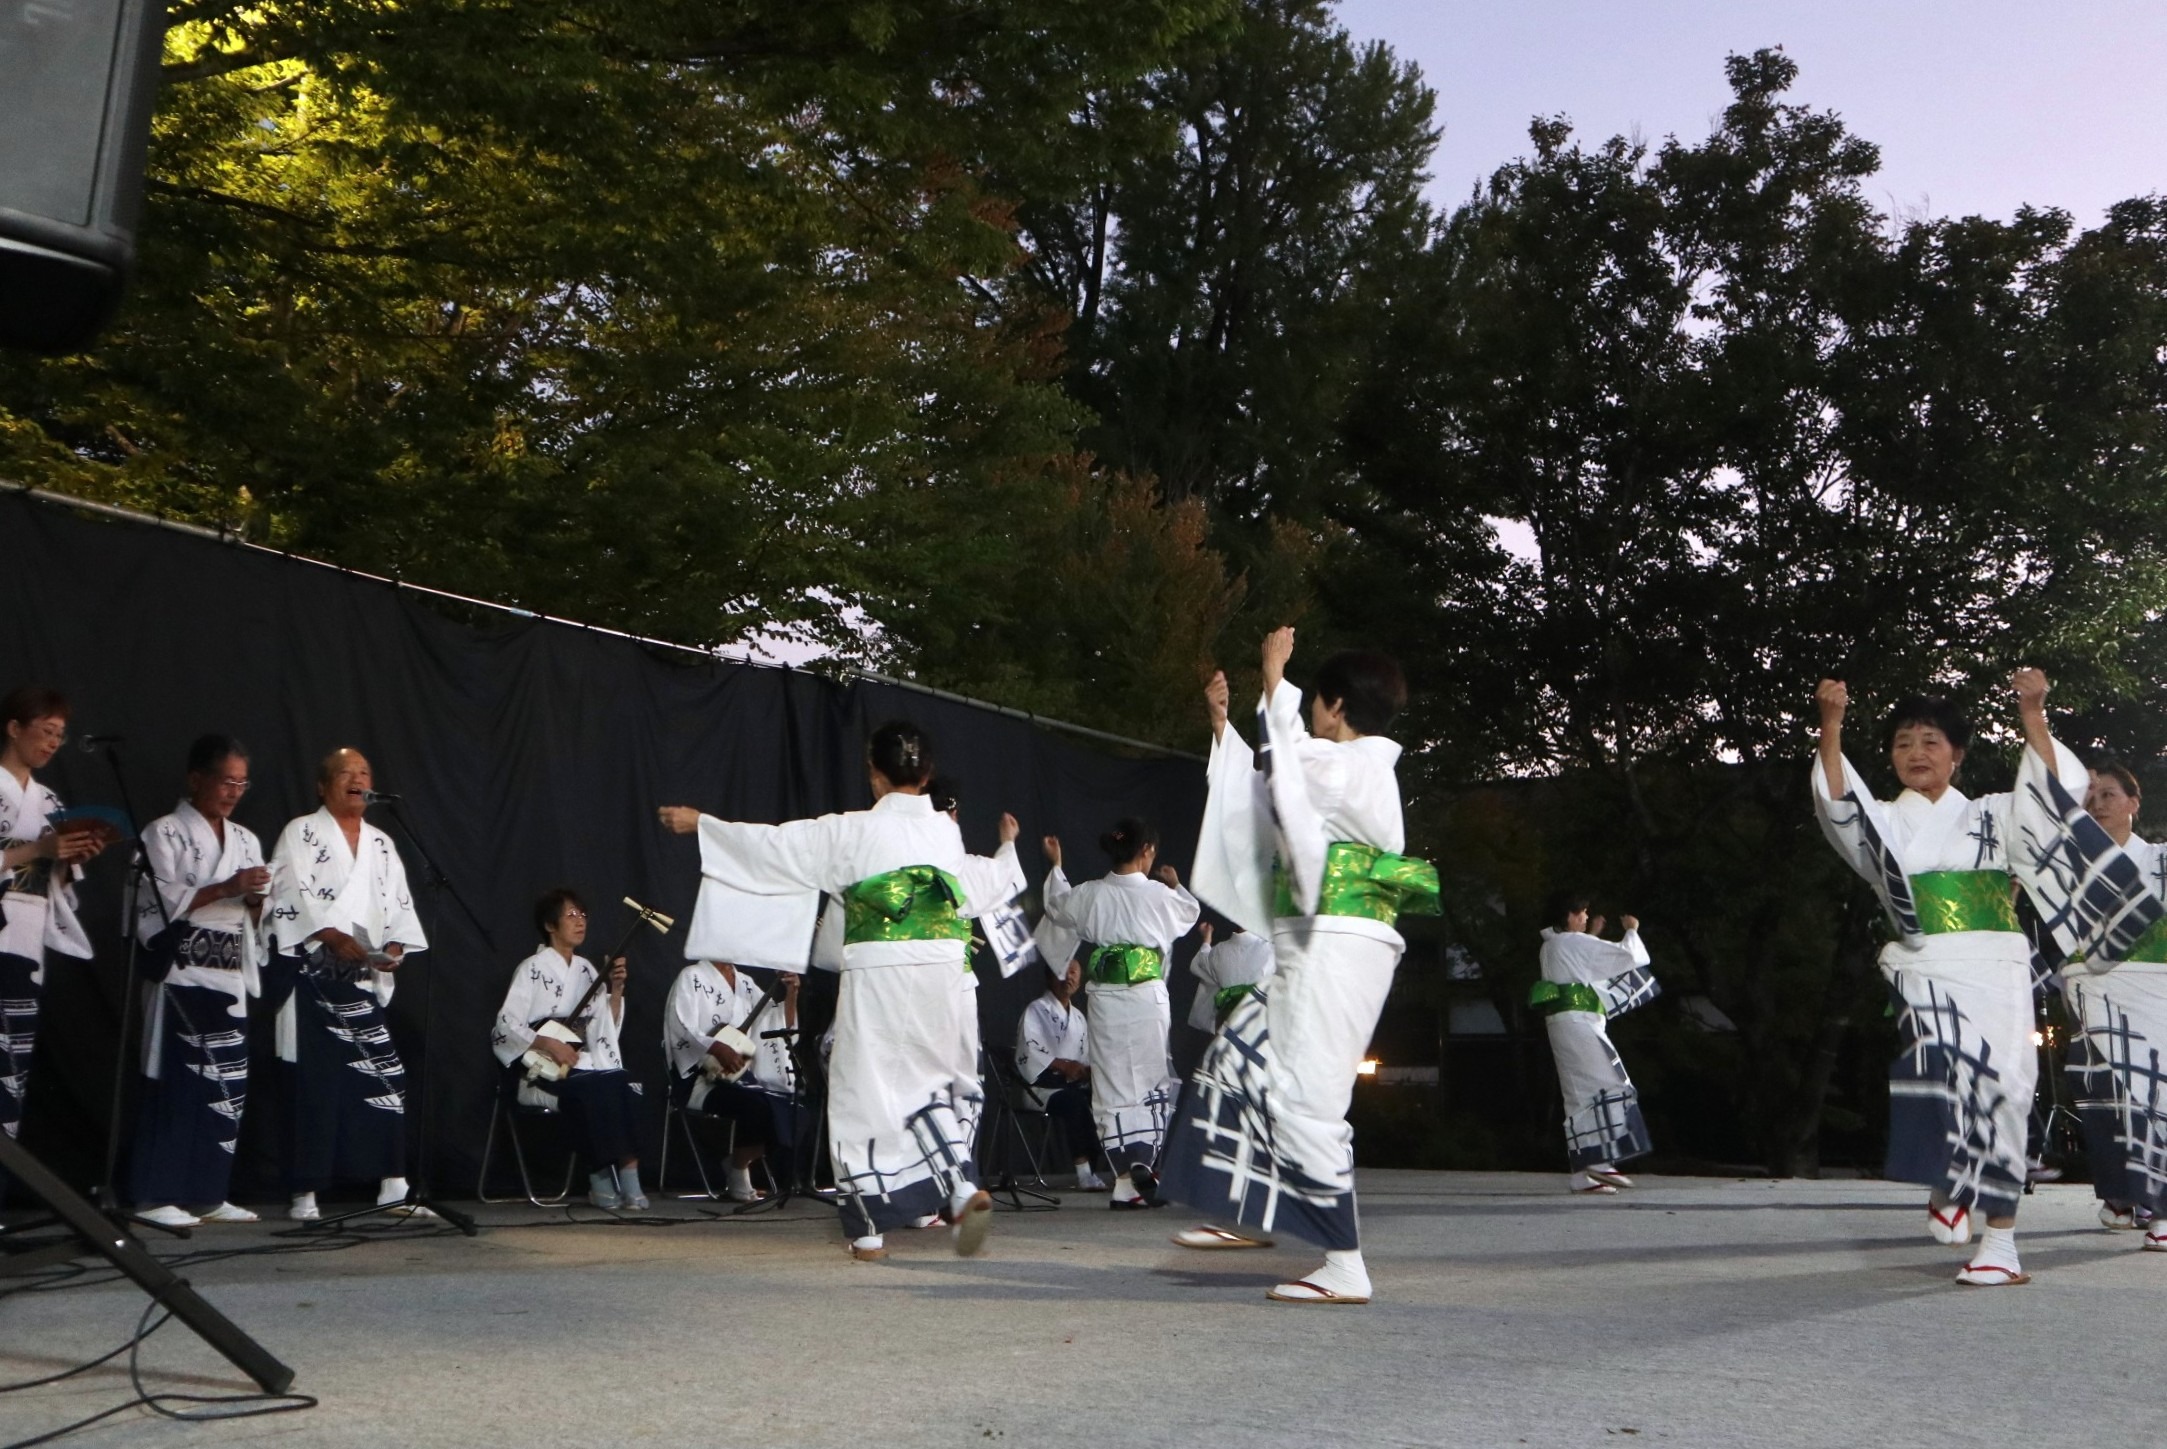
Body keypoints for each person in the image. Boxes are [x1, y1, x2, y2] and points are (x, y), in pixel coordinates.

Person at [658, 721, 1021, 1261]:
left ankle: (869, 1228)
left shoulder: (852, 831)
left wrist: (705, 826)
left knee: (862, 1086)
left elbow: (777, 846)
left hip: (882, 970)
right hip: (944, 971)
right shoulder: (945, 832)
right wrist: (1010, 848)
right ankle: (961, 1186)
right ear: (926, 775)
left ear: (874, 776)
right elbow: (984, 879)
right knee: (933, 1082)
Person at [1162, 628, 1437, 1305]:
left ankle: (1343, 1261)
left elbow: (1286, 770)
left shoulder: (1355, 767)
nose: (1311, 711)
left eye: (1315, 700)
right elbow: (1273, 781)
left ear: (1334, 706)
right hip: (1319, 939)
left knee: (1306, 1097)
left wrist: (1272, 678)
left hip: (1338, 944)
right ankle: (1250, 1210)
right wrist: (1228, 729)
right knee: (1239, 1054)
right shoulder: (1342, 764)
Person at [1812, 671, 2088, 1285]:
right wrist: (1831, 727)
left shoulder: (1994, 813)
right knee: (1944, 1074)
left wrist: (2034, 713)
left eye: (1931, 741)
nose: (1916, 753)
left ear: (1957, 755)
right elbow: (1839, 807)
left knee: (2009, 1089)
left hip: (1996, 965)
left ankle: (2000, 1242)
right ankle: (1952, 1177)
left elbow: (2056, 800)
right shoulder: (1884, 819)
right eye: (1903, 742)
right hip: (1925, 964)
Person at [264, 748, 429, 1221]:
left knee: (386, 1076)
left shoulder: (381, 843)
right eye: (346, 773)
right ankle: (304, 1194)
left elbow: (398, 905)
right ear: (323, 785)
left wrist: (395, 947)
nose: (357, 779)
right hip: (313, 974)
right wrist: (328, 933)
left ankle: (392, 1184)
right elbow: (285, 891)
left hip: (361, 977)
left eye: (365, 773)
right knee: (314, 1085)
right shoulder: (302, 831)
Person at [126, 735, 270, 1227]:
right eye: (225, 780)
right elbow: (155, 904)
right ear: (196, 779)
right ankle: (155, 1194)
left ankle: (209, 1190)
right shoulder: (162, 833)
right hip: (182, 969)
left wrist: (256, 902)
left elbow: (260, 917)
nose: (233, 791)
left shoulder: (247, 839)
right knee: (176, 1081)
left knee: (225, 1082)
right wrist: (230, 887)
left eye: (241, 783)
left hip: (228, 969)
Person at [1040, 819, 1199, 1208]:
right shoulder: (1160, 895)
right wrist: (1176, 883)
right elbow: (1189, 913)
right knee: (1148, 1077)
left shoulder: (1090, 893)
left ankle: (1125, 1181)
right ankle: (1143, 1161)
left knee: (1111, 1084)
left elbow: (1055, 906)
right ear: (1146, 851)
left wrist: (1057, 868)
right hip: (1145, 996)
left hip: (1106, 999)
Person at [0, 685, 111, 1154]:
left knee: (13, 1068)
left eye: (59, 736)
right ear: (13, 728)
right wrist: (37, 850)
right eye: (46, 732)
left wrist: (70, 859)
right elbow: (31, 854)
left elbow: (58, 884)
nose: (51, 743)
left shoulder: (47, 800)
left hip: (27, 933)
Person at [2064, 759, 2167, 1249]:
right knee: (2100, 1094)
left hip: (2152, 990)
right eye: (2089, 796)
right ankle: (2120, 1196)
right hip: (2092, 990)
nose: (2097, 803)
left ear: (2133, 802)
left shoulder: (2161, 861)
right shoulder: (2069, 866)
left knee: (2154, 1095)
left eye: (2108, 794)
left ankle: (2163, 1205)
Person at [492, 887, 647, 1210]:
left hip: (581, 1061)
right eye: (571, 915)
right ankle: (601, 1177)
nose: (580, 922)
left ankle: (630, 1175)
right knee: (590, 1090)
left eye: (583, 915)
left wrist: (616, 989)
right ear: (550, 926)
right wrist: (548, 1042)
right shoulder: (532, 968)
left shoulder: (588, 969)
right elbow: (506, 1026)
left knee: (623, 1083)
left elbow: (604, 1026)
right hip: (540, 1070)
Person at [1534, 895, 1656, 1194]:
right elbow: (1628, 957)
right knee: (1610, 1082)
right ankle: (1600, 1162)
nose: (1585, 917)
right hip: (1579, 1024)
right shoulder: (1570, 943)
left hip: (1563, 1025)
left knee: (1578, 1094)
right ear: (1568, 916)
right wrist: (1631, 931)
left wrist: (1591, 937)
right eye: (1581, 913)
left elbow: (1580, 962)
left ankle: (1581, 1173)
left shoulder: (1551, 945)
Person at [663, 957, 801, 1203]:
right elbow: (681, 1026)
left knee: (796, 1111)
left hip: (740, 1076)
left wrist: (791, 992)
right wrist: (716, 1047)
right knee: (755, 1106)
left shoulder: (746, 983)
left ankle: (738, 1161)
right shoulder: (691, 976)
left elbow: (775, 1025)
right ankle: (739, 1172)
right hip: (700, 1079)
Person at [1015, 956, 1104, 1189]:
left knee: (1101, 1099)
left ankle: (1105, 1168)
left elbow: (1085, 1057)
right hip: (1041, 1089)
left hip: (1071, 1085)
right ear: (1049, 976)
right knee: (1074, 1101)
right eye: (1063, 971)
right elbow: (1029, 1050)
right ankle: (1083, 1172)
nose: (1069, 976)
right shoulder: (1036, 1010)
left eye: (1074, 971)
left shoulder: (1078, 1018)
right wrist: (1064, 1066)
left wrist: (1086, 1071)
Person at [1186, 920, 1275, 1036]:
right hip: (1255, 1030)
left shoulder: (1219, 951)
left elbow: (1201, 962)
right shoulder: (1272, 953)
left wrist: (1207, 938)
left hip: (1223, 1026)